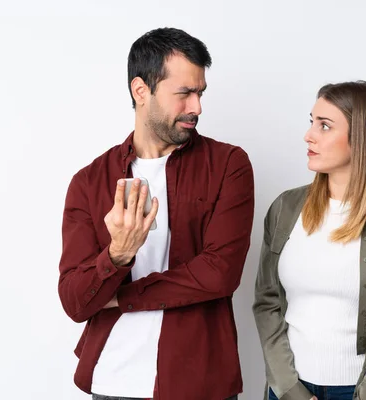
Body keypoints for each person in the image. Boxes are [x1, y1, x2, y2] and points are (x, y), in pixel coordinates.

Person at [58, 27, 254, 400]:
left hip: (198, 382)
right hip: (111, 381)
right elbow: (75, 301)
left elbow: (220, 273)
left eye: (200, 93)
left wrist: (125, 297)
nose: (197, 107)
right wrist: (117, 256)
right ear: (141, 91)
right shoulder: (89, 181)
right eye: (184, 93)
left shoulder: (229, 164)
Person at [253, 81, 366, 400]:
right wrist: (291, 389)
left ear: (362, 138)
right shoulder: (285, 208)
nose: (309, 135)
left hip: (359, 391)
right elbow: (267, 302)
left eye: (324, 126)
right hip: (287, 389)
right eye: (312, 121)